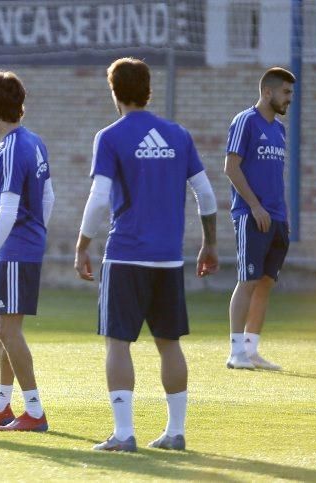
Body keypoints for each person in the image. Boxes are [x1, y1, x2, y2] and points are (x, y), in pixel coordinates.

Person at [74, 57, 219, 452]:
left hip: (126, 256)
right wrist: (210, 242)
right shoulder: (178, 135)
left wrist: (83, 244)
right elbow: (206, 194)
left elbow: (100, 197)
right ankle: (175, 432)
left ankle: (123, 434)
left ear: (114, 92)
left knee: (118, 343)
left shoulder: (110, 136)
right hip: (169, 258)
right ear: (148, 89)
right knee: (169, 342)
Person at [0, 71, 54, 432]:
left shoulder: (14, 147)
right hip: (22, 246)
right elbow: (49, 197)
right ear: (21, 104)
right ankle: (3, 405)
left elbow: (8, 210)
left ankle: (34, 410)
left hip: (17, 248)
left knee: (8, 328)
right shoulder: (32, 141)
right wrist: (39, 233)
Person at [224, 67, 295, 371]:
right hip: (252, 215)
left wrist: (280, 214)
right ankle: (236, 352)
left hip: (277, 218)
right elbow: (231, 167)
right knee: (248, 280)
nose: (289, 99)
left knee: (265, 282)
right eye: (286, 92)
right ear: (268, 92)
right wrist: (254, 206)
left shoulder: (279, 129)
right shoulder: (245, 121)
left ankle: (251, 351)